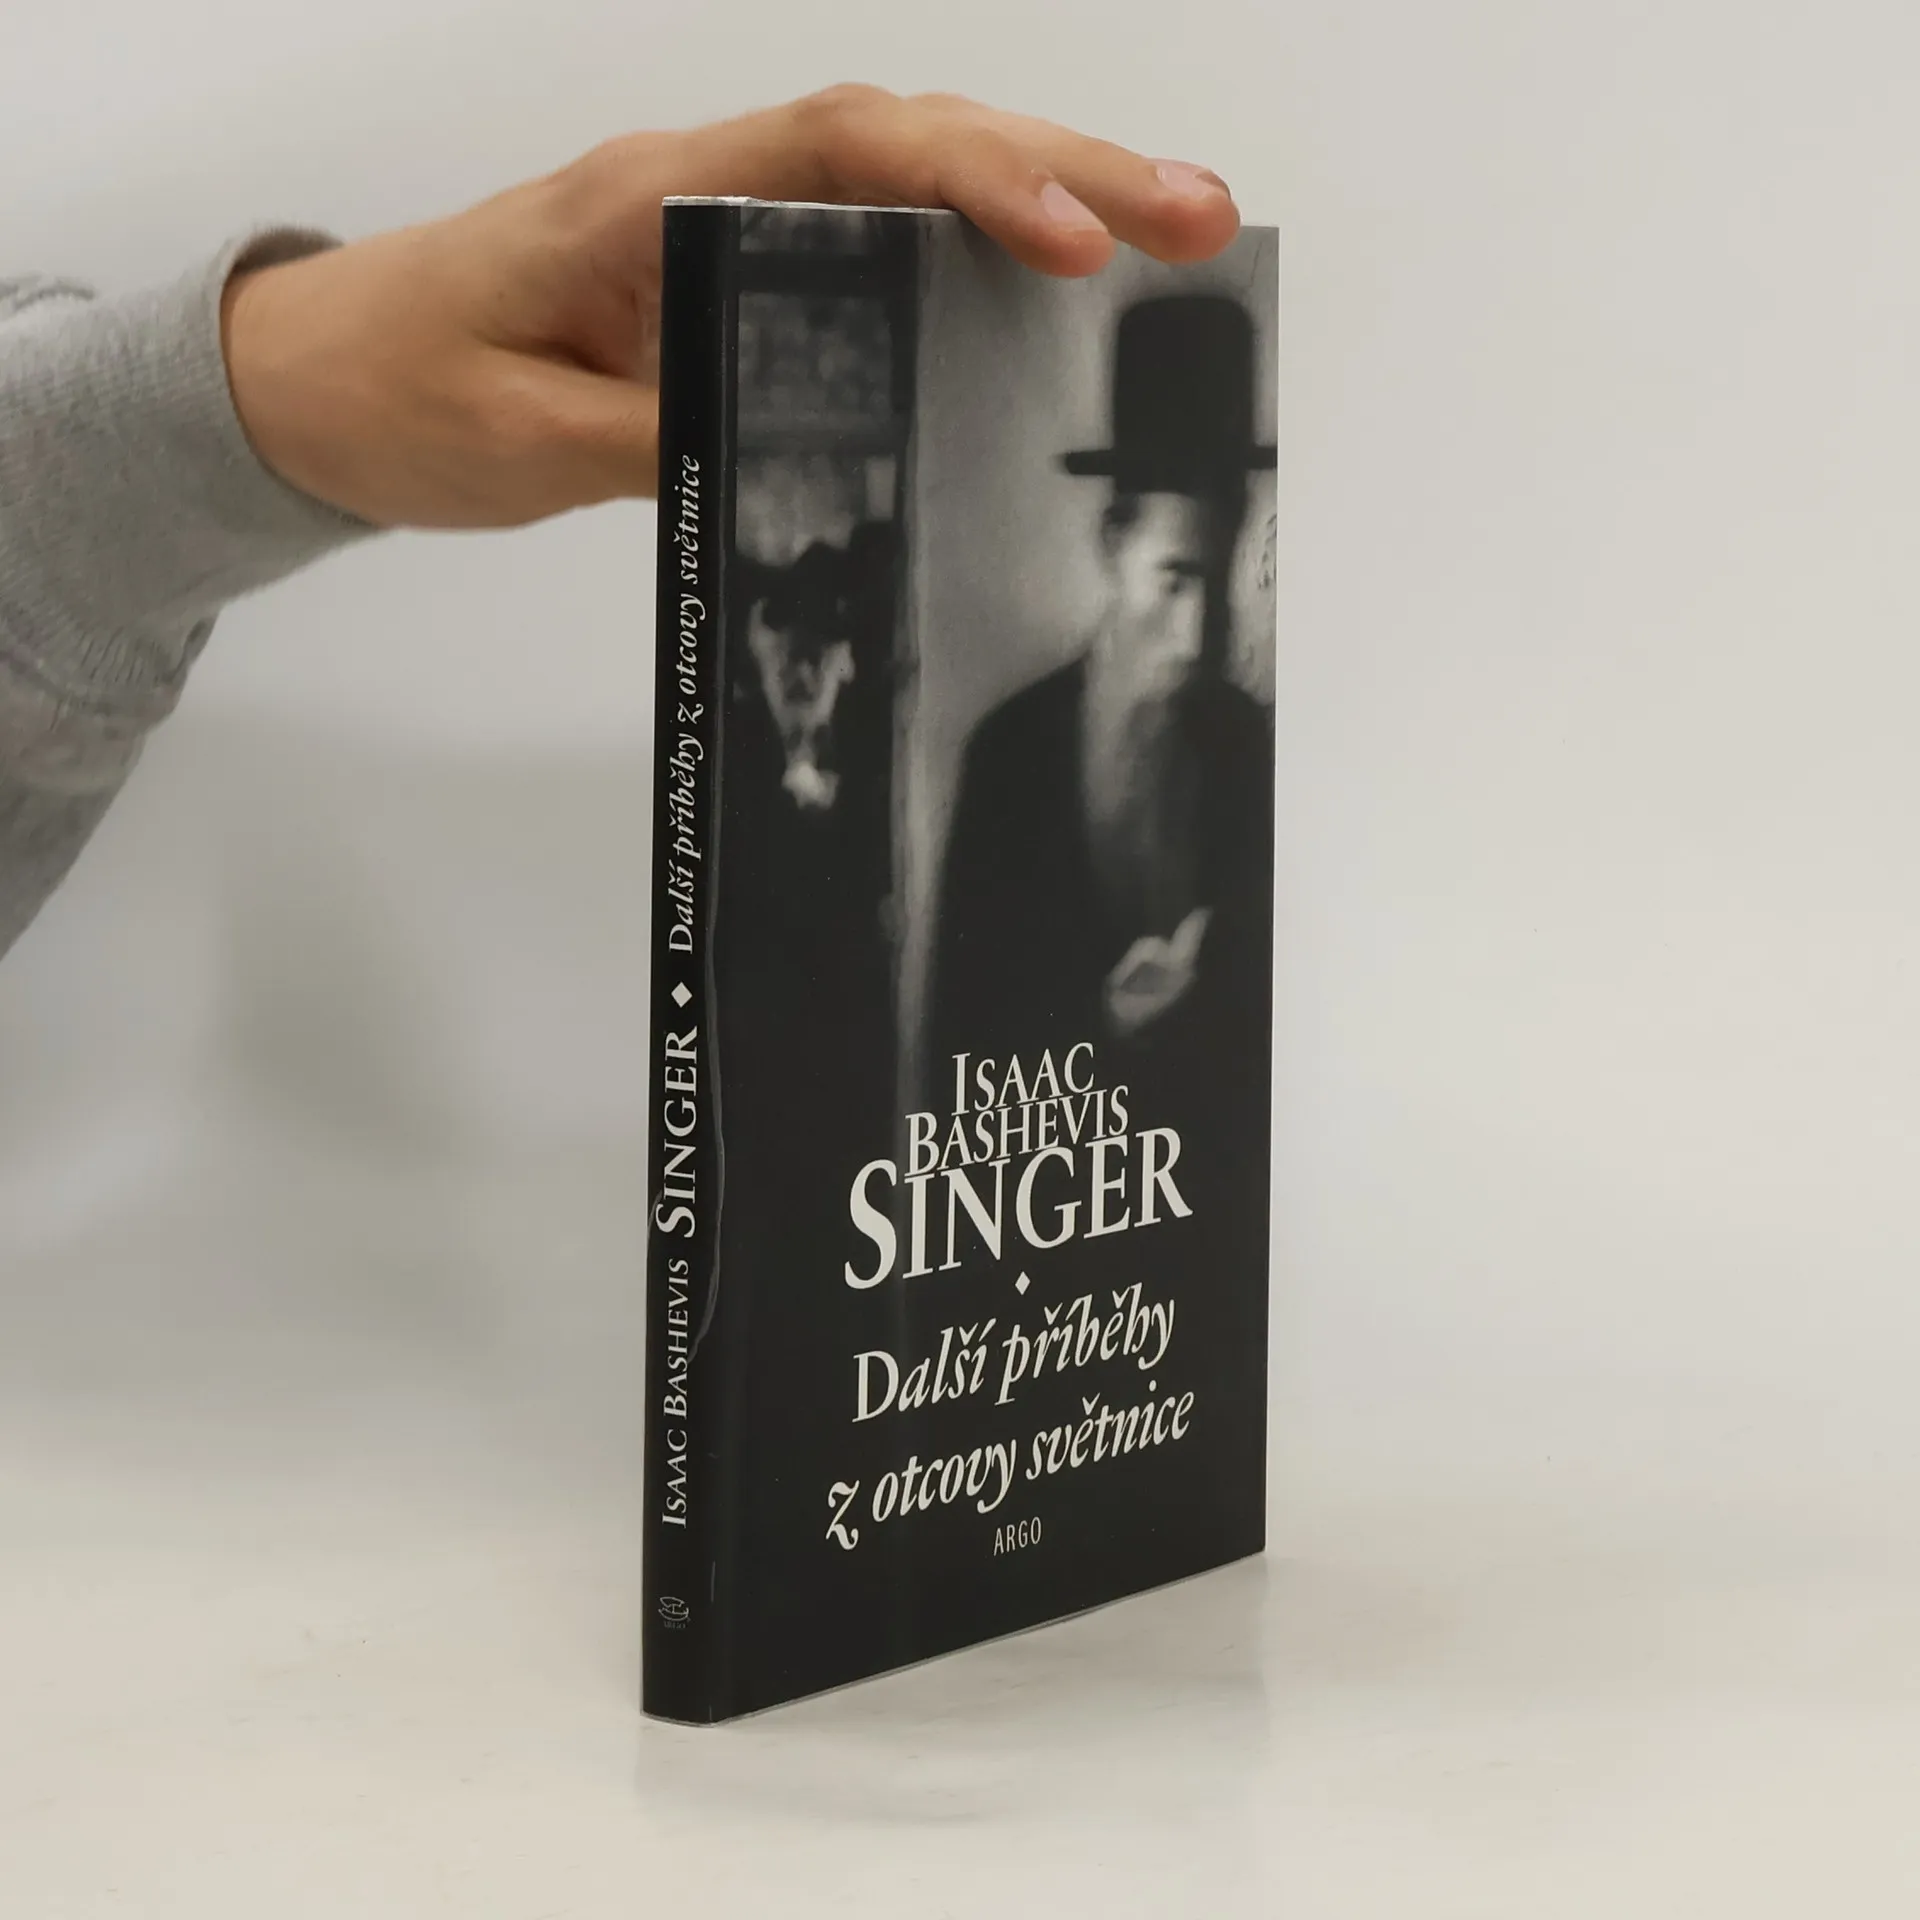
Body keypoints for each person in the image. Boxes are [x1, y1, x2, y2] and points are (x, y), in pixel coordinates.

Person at [0, 86, 1241, 964]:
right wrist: (212, 409)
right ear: (1112, 542)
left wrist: (235, 399)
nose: (1198, 630)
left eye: (1224, 571)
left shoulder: (1244, 745)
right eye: (1175, 577)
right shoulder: (1016, 753)